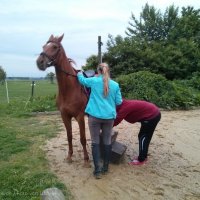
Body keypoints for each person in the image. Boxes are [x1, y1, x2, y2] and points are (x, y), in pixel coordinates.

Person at [77, 63, 122, 179]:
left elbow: (82, 81)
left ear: (98, 71)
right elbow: (119, 102)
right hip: (109, 118)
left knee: (95, 142)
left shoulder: (94, 80)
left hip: (94, 117)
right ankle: (105, 168)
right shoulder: (115, 85)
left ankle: (97, 170)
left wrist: (79, 73)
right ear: (108, 71)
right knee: (107, 141)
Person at [113, 99, 161, 165]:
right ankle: (144, 156)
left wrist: (105, 127)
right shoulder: (123, 103)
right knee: (145, 137)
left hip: (152, 116)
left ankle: (141, 160)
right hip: (153, 113)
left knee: (143, 137)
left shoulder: (124, 108)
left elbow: (116, 120)